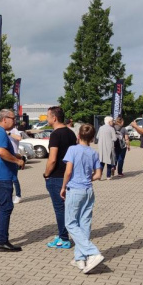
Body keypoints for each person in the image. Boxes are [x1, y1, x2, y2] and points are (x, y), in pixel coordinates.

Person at [60, 124, 104, 274]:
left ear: (78, 135)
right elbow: (98, 175)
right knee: (84, 224)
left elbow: (68, 171)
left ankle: (93, 252)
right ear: (92, 138)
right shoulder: (93, 153)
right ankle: (80, 258)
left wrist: (63, 186)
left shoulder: (72, 149)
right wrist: (87, 178)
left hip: (75, 189)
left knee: (70, 223)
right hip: (88, 190)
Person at [0, 109, 25, 252]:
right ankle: (2, 241)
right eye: (13, 119)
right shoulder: (1, 132)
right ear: (4, 119)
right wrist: (17, 161)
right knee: (6, 208)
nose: (15, 121)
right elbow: (1, 152)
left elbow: (1, 150)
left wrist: (14, 154)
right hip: (1, 176)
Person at [43, 106, 78, 249]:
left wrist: (46, 174)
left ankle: (64, 238)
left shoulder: (55, 135)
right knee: (67, 207)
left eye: (47, 116)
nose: (46, 118)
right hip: (69, 175)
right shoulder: (71, 133)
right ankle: (64, 233)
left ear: (54, 118)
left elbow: (52, 159)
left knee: (59, 208)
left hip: (56, 176)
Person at [8, 124, 23, 204]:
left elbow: (19, 138)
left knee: (14, 178)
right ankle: (9, 195)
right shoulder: (2, 130)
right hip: (7, 156)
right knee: (8, 178)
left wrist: (9, 134)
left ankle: (18, 195)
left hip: (14, 156)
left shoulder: (14, 130)